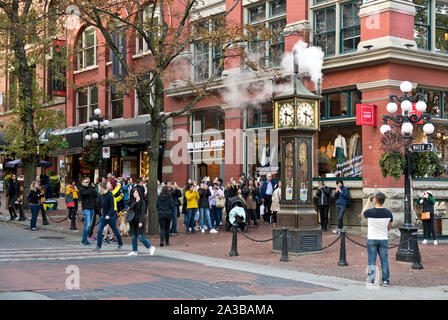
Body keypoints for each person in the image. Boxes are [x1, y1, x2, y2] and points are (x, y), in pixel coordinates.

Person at [361, 192, 393, 287]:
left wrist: (367, 202)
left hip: (371, 238)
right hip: (383, 238)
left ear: (375, 200)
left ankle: (371, 279)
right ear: (383, 201)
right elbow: (389, 226)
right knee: (384, 260)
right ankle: (385, 281)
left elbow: (363, 213)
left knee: (372, 260)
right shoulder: (388, 213)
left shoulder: (370, 212)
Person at [93, 181, 123, 251]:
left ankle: (120, 244)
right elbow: (99, 205)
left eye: (99, 187)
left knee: (115, 231)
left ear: (102, 187)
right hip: (104, 216)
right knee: (99, 230)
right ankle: (99, 246)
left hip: (111, 216)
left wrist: (109, 215)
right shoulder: (101, 195)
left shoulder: (110, 195)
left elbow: (112, 207)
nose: (98, 189)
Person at [127, 188, 155, 256]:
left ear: (139, 193)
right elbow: (130, 208)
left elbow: (143, 213)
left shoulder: (143, 202)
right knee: (133, 236)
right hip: (133, 221)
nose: (135, 194)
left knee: (140, 236)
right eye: (134, 193)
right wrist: (136, 202)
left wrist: (141, 221)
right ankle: (134, 251)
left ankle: (150, 247)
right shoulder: (132, 201)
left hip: (140, 220)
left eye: (136, 193)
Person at [79, 177, 97, 246]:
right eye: (86, 182)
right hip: (86, 209)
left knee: (89, 225)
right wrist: (91, 187)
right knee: (87, 225)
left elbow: (95, 195)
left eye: (88, 182)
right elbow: (88, 193)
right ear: (82, 183)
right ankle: (84, 240)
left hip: (92, 208)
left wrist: (94, 189)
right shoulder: (81, 189)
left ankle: (85, 239)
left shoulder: (90, 188)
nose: (87, 183)